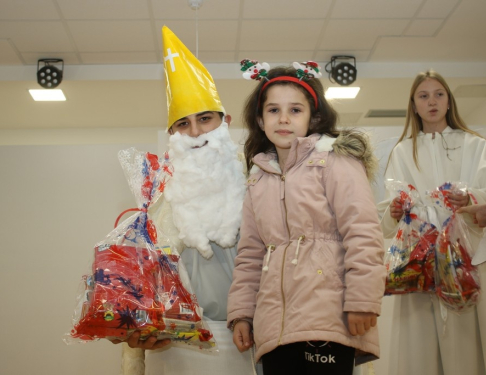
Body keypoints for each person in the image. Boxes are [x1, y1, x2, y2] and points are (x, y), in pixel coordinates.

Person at [227, 62, 386, 375]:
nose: (283, 118)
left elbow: (364, 231)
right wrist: (243, 314)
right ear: (260, 120)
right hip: (275, 329)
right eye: (273, 110)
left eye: (295, 110)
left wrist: (363, 300)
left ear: (313, 117)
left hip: (329, 318)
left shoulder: (335, 161)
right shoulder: (257, 179)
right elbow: (250, 255)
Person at [115, 26, 258, 375]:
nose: (195, 133)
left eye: (205, 119)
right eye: (183, 123)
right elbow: (140, 282)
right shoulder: (155, 197)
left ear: (225, 122)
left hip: (252, 340)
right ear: (172, 134)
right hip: (179, 346)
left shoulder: (260, 180)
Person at [377, 70, 486, 375]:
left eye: (439, 94)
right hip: (420, 259)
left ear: (449, 101)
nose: (432, 101)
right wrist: (397, 209)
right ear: (414, 105)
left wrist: (471, 199)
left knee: (468, 340)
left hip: (468, 258)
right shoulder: (403, 151)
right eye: (423, 96)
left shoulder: (475, 145)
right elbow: (390, 211)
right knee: (419, 345)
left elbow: (483, 195)